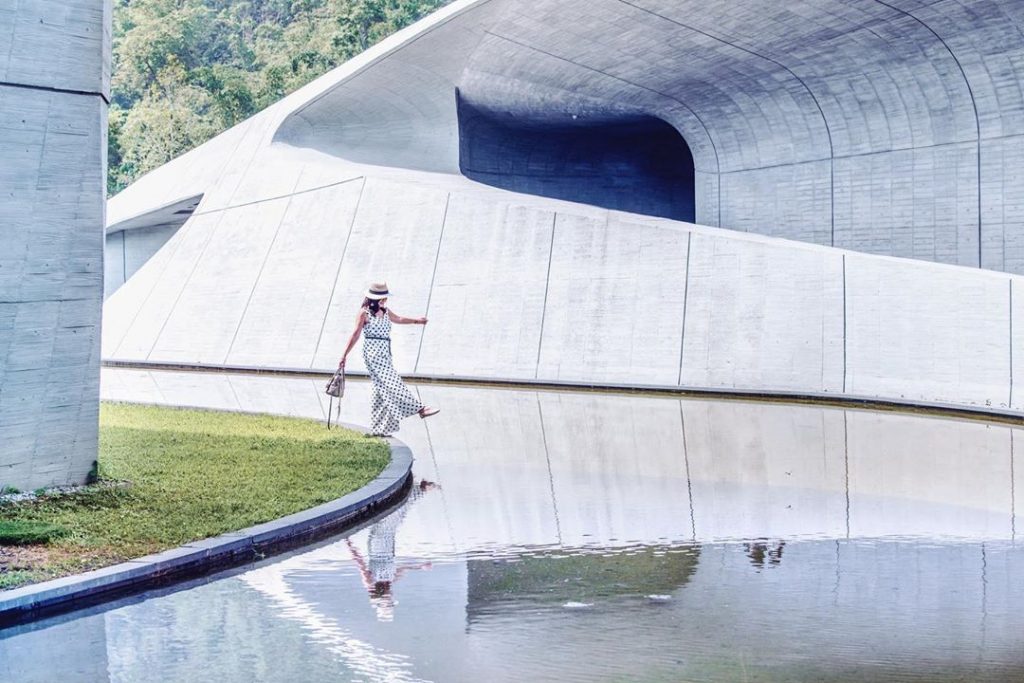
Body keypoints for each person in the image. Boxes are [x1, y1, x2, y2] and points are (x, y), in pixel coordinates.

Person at [339, 282, 439, 436]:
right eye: (382, 299)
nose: (384, 301)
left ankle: (380, 429)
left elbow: (398, 318)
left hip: (386, 352)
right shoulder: (364, 313)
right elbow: (355, 334)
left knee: (380, 389)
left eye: (384, 299)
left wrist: (416, 321)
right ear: (373, 300)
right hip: (372, 353)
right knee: (392, 381)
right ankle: (420, 409)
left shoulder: (385, 312)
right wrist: (344, 355)